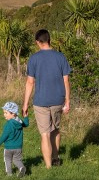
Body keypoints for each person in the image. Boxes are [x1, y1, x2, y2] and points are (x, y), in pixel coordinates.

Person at [22, 29, 71, 169]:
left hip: (40, 101)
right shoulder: (61, 57)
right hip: (58, 99)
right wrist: (67, 100)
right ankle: (56, 158)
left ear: (38, 42)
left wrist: (25, 104)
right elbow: (66, 81)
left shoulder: (34, 58)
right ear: (49, 40)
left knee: (45, 134)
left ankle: (48, 166)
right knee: (55, 130)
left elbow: (30, 83)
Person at [0, 102, 29, 177]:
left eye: (6, 113)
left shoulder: (8, 124)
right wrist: (26, 117)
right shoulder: (19, 121)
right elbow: (26, 124)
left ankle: (9, 174)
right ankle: (21, 167)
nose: (4, 114)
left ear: (13, 113)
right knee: (17, 160)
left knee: (7, 160)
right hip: (18, 147)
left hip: (8, 148)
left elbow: (4, 136)